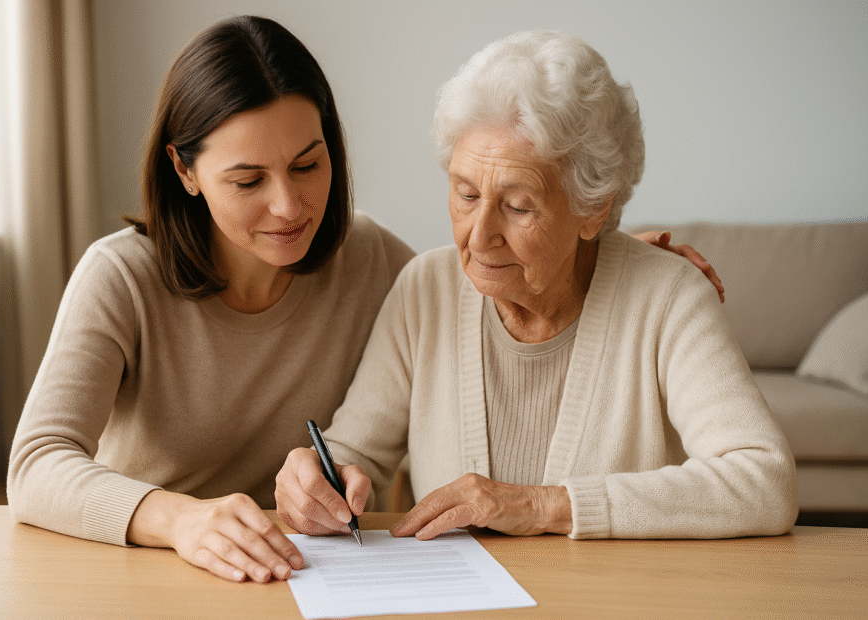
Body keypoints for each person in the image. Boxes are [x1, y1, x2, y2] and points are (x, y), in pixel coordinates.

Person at [8, 16, 724, 583]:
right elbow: (37, 463)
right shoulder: (120, 277)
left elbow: (482, 280)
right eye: (248, 180)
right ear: (185, 171)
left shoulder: (373, 259)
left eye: (308, 164)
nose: (290, 206)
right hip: (154, 562)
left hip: (301, 567)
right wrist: (179, 521)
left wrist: (608, 254)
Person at [275, 30, 797, 541]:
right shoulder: (425, 289)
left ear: (593, 209)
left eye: (518, 206)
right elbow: (354, 456)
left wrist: (545, 505)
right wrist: (317, 482)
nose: (479, 237)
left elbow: (764, 481)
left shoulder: (669, 297)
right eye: (465, 193)